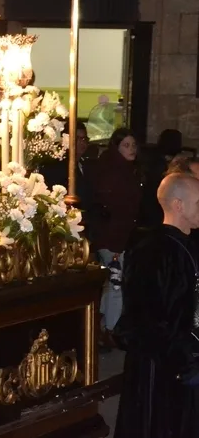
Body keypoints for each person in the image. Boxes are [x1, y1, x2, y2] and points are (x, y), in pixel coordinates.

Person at [114, 173, 199, 438]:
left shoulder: (188, 244)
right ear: (178, 204)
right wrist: (185, 359)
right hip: (161, 365)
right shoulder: (153, 251)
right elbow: (148, 316)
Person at [89, 127, 142, 348]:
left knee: (111, 285)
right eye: (126, 145)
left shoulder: (123, 170)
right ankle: (110, 330)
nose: (132, 150)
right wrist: (117, 243)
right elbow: (115, 211)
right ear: (116, 147)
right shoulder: (115, 173)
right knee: (115, 285)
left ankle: (104, 326)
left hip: (114, 238)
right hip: (113, 239)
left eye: (133, 145)